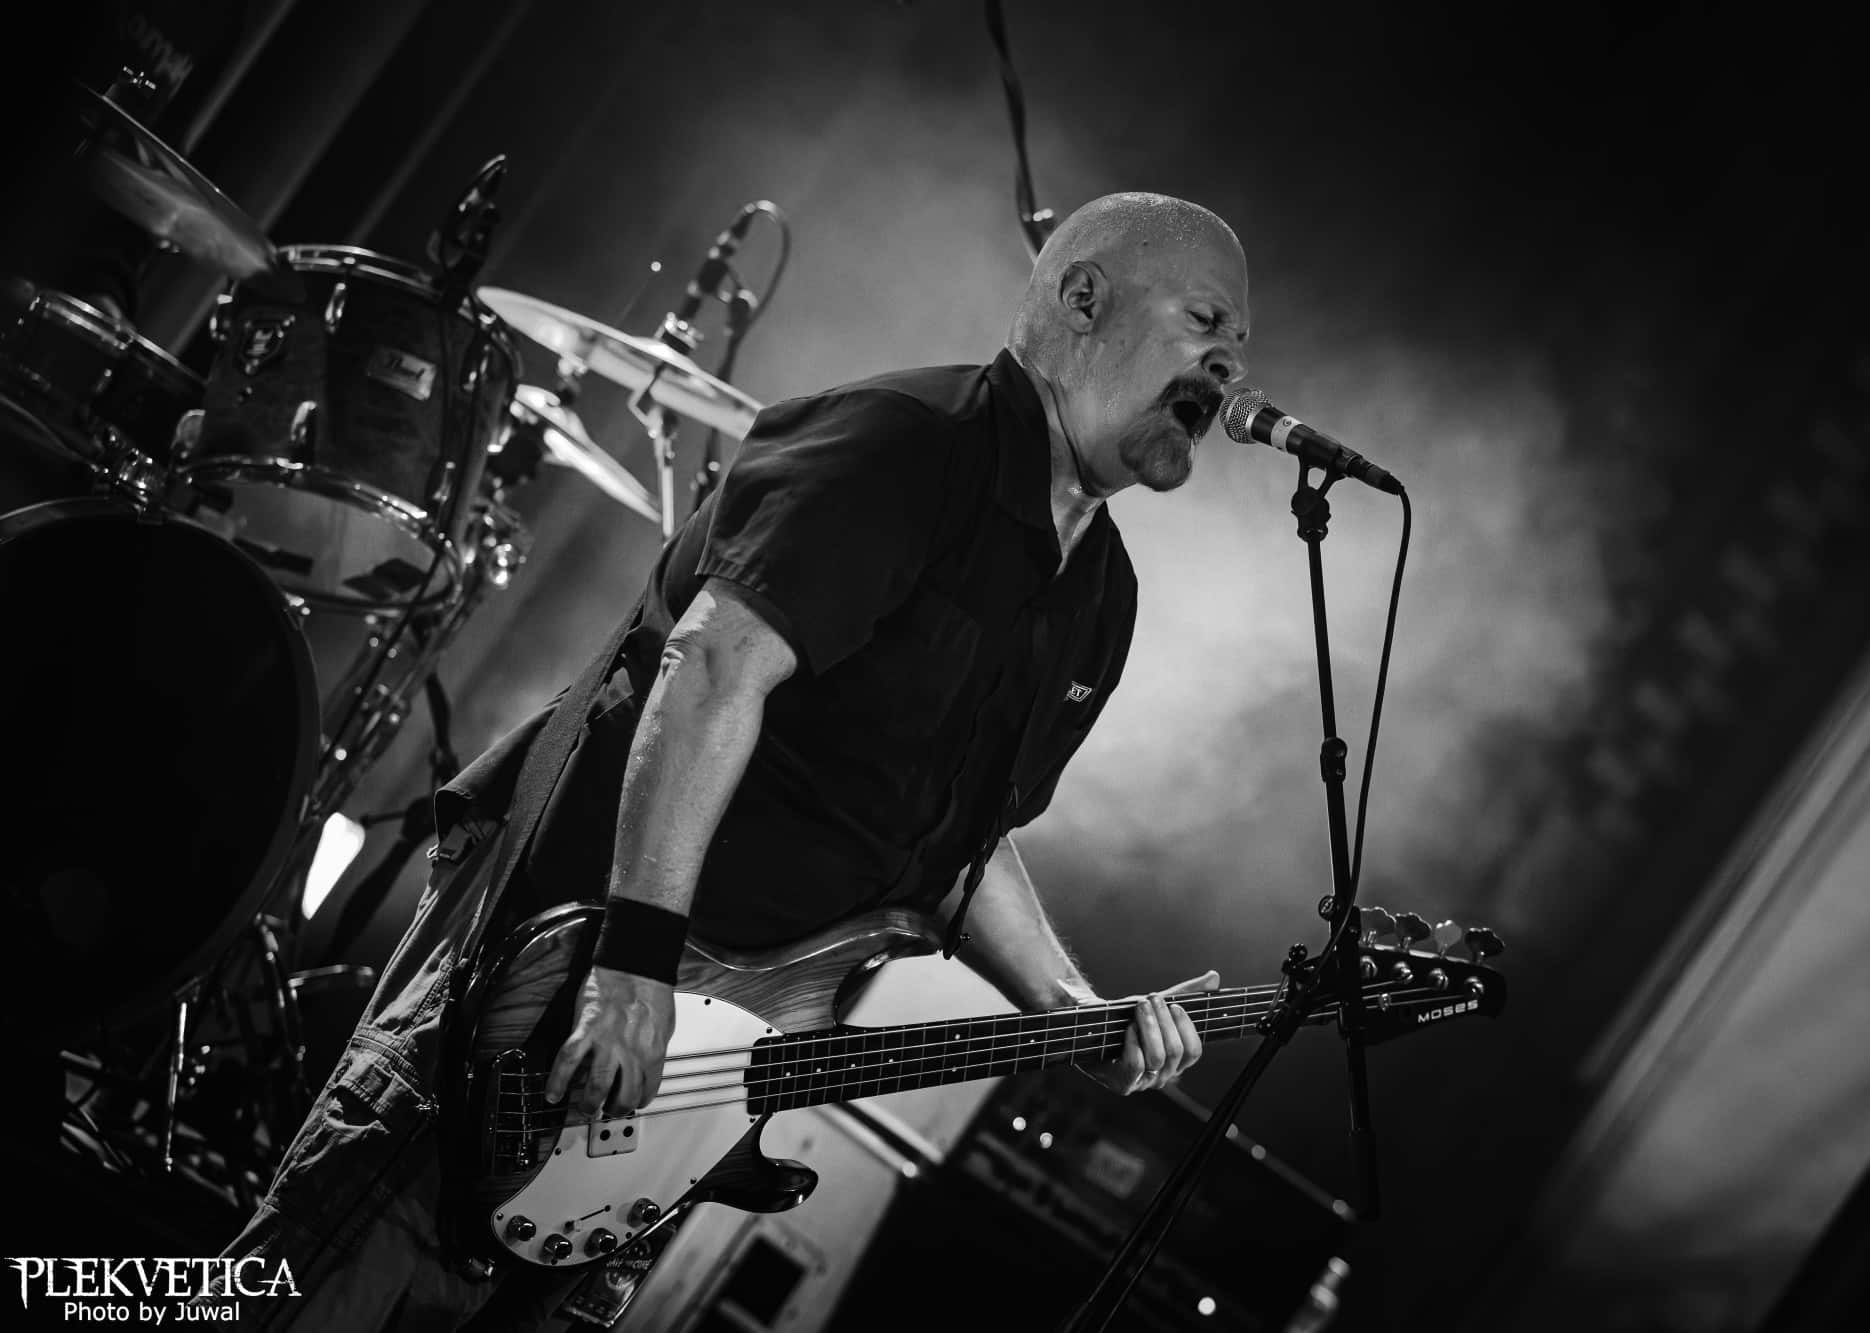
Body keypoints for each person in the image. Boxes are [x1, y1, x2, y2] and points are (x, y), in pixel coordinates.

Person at [216, 190, 1253, 1331]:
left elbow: (958, 839)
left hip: (686, 1084)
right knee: (326, 1286)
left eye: (1239, 350)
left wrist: (1074, 1009)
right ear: (1083, 297)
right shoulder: (907, 446)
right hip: (561, 977)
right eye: (1206, 322)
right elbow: (712, 666)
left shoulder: (1100, 599)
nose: (1225, 368)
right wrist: (632, 967)